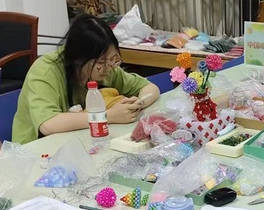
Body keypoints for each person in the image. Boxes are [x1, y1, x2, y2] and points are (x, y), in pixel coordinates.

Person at [12, 14, 160, 144]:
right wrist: (108, 116)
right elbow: (48, 124)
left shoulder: (104, 67)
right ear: (78, 58)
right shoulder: (46, 70)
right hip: (35, 150)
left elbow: (150, 88)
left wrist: (137, 104)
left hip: (80, 141)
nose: (108, 68)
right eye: (101, 62)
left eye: (112, 59)